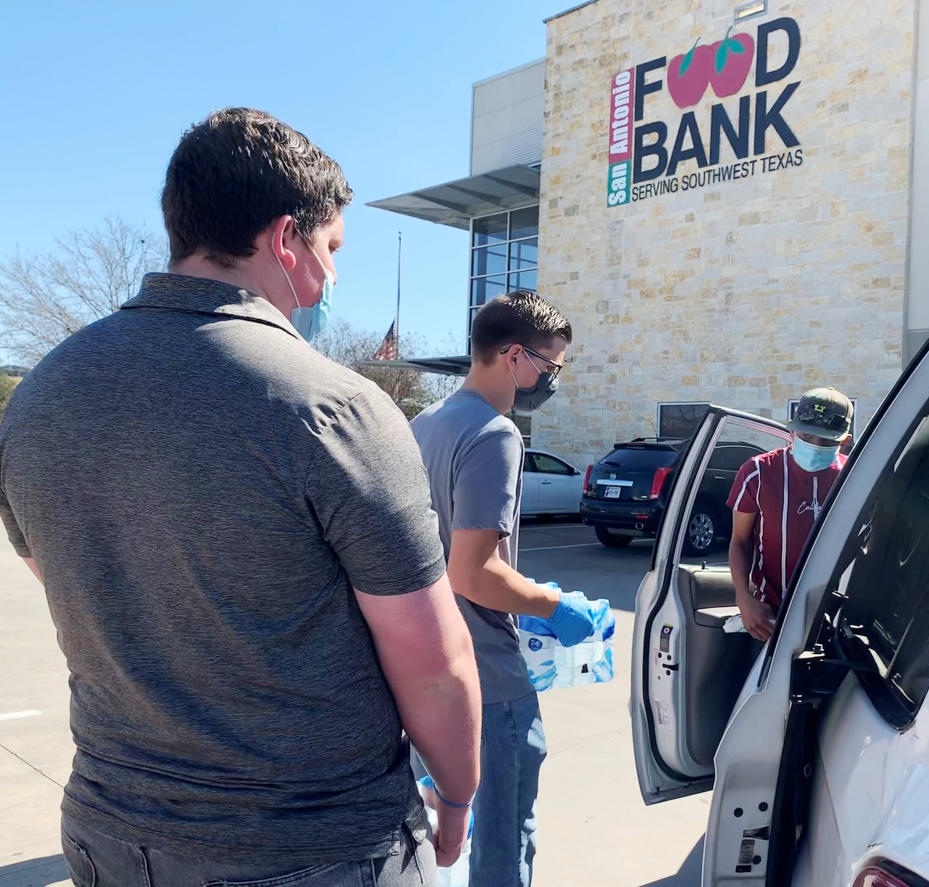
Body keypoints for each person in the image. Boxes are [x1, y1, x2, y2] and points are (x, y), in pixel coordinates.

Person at [0, 108, 481, 886]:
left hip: (112, 829)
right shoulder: (335, 409)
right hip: (308, 845)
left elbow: (66, 580)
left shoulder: (40, 397)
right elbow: (432, 660)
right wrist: (458, 794)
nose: (330, 276)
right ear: (286, 238)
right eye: (330, 248)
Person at [411, 290, 595, 887]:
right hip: (488, 680)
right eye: (552, 365)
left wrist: (524, 594)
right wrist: (554, 605)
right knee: (502, 844)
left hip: (426, 669)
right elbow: (474, 572)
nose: (554, 379)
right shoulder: (496, 435)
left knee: (441, 835)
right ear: (514, 356)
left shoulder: (426, 423)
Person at [727, 387, 854, 641]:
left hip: (834, 620)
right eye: (807, 436)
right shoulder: (758, 472)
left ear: (844, 441)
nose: (814, 445)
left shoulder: (853, 475)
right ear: (792, 431)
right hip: (769, 619)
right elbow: (740, 541)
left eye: (826, 440)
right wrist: (744, 599)